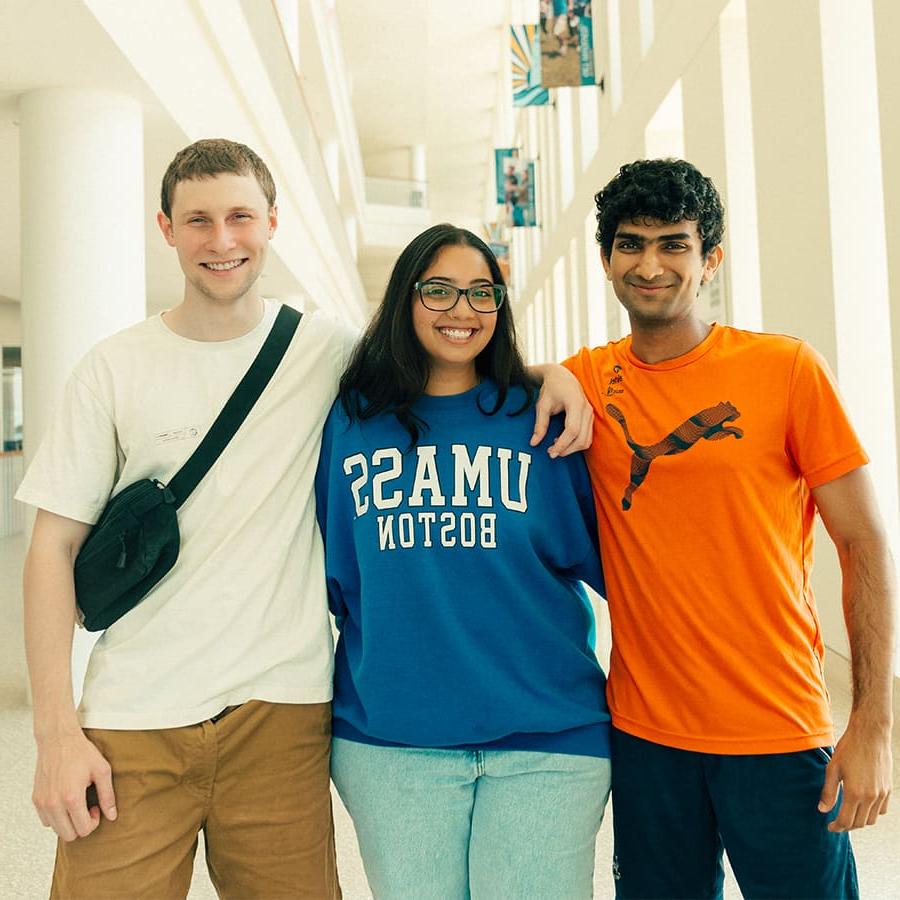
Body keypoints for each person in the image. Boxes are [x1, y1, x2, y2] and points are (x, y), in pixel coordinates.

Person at [17, 140, 593, 899]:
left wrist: (552, 376)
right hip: (134, 715)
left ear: (272, 223)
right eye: (198, 221)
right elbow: (51, 548)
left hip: (280, 718)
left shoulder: (325, 353)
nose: (221, 241)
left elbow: (446, 355)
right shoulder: (114, 366)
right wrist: (57, 732)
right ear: (165, 228)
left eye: (239, 217)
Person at [563, 158, 895, 899]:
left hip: (777, 729)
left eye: (673, 244)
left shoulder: (784, 370)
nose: (649, 264)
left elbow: (863, 542)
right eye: (630, 244)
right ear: (608, 258)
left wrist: (874, 723)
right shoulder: (581, 379)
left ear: (711, 258)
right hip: (647, 738)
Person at [315, 224, 611, 900]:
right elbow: (337, 572)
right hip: (392, 744)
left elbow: (604, 564)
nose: (463, 310)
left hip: (549, 736)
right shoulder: (351, 422)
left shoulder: (541, 419)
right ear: (405, 299)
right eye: (440, 290)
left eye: (483, 293)